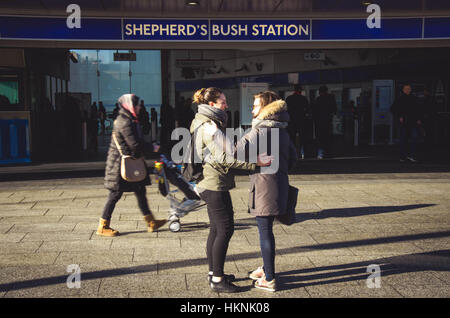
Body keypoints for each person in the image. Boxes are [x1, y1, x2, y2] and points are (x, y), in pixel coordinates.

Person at [204, 91, 296, 292]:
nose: (252, 109)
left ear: (265, 109)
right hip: (280, 184)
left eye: (255, 106)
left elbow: (234, 151)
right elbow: (294, 158)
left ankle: (269, 278)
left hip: (264, 187)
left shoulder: (260, 131)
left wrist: (217, 134)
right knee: (268, 230)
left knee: (265, 232)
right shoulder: (282, 129)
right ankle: (266, 268)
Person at [191, 87, 269, 293]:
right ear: (211, 105)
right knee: (225, 229)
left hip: (210, 182)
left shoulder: (204, 121)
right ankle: (217, 279)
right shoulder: (209, 125)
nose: (226, 105)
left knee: (216, 229)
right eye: (223, 102)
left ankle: (214, 272)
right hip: (214, 183)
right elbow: (224, 157)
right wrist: (256, 163)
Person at [97, 93, 166, 237]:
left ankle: (150, 221)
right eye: (137, 104)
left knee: (140, 191)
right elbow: (134, 144)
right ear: (130, 106)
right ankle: (103, 226)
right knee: (115, 194)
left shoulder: (130, 119)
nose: (140, 107)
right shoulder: (124, 121)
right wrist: (151, 148)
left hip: (130, 162)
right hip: (120, 165)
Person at [390, 84, 423, 163]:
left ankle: (411, 156)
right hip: (404, 123)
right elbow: (392, 109)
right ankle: (403, 156)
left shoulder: (414, 99)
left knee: (414, 138)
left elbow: (419, 109)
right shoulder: (400, 99)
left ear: (411, 90)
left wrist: (419, 119)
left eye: (409, 89)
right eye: (406, 89)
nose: (408, 90)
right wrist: (399, 116)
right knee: (403, 140)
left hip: (413, 122)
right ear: (403, 90)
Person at [311, 85, 337, 159]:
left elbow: (314, 111)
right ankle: (329, 152)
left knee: (321, 138)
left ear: (320, 92)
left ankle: (322, 153)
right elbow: (334, 109)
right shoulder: (331, 98)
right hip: (328, 121)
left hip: (320, 122)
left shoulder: (318, 99)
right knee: (328, 137)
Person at [285, 84, 310, 160]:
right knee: (303, 138)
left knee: (291, 139)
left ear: (294, 90)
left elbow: (286, 110)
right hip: (301, 121)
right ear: (300, 90)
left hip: (291, 121)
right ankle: (304, 154)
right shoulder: (303, 99)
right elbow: (307, 110)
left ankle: (292, 154)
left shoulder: (289, 98)